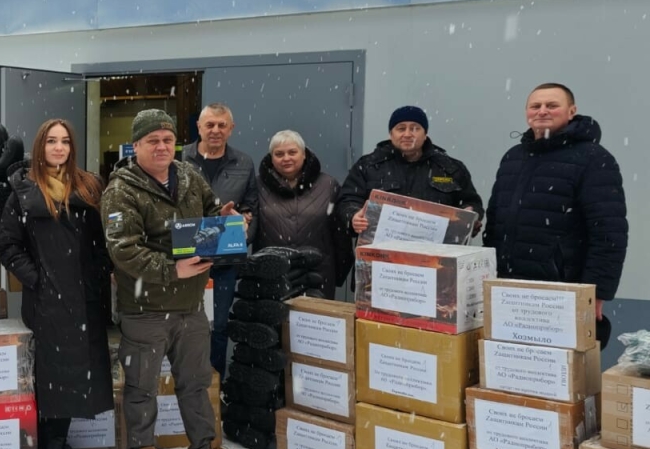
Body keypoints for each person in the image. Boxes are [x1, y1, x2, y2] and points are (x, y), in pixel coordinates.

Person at [102, 109, 249, 449]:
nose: (163, 146)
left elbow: (210, 214)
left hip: (189, 307)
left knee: (197, 382)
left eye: (168, 139)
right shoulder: (121, 189)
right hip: (145, 309)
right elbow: (123, 251)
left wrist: (226, 218)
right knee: (141, 387)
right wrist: (173, 269)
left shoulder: (188, 176)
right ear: (136, 146)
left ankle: (204, 448)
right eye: (153, 140)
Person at [0, 119, 113, 449]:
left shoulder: (88, 187)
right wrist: (39, 280)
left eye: (65, 141)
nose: (59, 148)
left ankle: (54, 445)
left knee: (78, 375)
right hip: (47, 301)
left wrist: (98, 279)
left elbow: (102, 242)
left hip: (85, 299)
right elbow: (8, 245)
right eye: (51, 141)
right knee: (56, 377)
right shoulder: (23, 191)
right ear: (39, 146)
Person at [484, 83, 627, 341]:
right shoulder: (513, 157)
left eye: (552, 105)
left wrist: (597, 291)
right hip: (508, 288)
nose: (542, 111)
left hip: (561, 290)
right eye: (535, 106)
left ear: (571, 111)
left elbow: (609, 232)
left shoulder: (594, 159)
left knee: (560, 371)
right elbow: (495, 219)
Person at [182, 104, 259, 377]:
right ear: (199, 127)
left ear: (231, 129)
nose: (216, 130)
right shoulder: (180, 160)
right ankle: (187, 383)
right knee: (187, 324)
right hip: (188, 260)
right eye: (210, 125)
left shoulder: (244, 163)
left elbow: (251, 207)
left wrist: (244, 225)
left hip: (226, 261)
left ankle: (215, 386)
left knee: (220, 325)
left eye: (222, 125)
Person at [338, 105, 483, 236]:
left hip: (435, 258)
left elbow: (471, 203)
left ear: (425, 134)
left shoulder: (450, 168)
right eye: (401, 128)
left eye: (415, 128)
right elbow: (348, 200)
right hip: (381, 255)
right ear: (391, 134)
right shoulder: (368, 166)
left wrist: (470, 215)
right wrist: (353, 216)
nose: (407, 134)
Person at [251, 130, 352, 294]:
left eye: (292, 152)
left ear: (304, 154)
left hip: (317, 276)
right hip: (271, 276)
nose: (286, 158)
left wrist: (338, 274)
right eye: (279, 154)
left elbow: (341, 236)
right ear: (271, 158)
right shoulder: (256, 186)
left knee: (315, 319)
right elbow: (247, 225)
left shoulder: (328, 185)